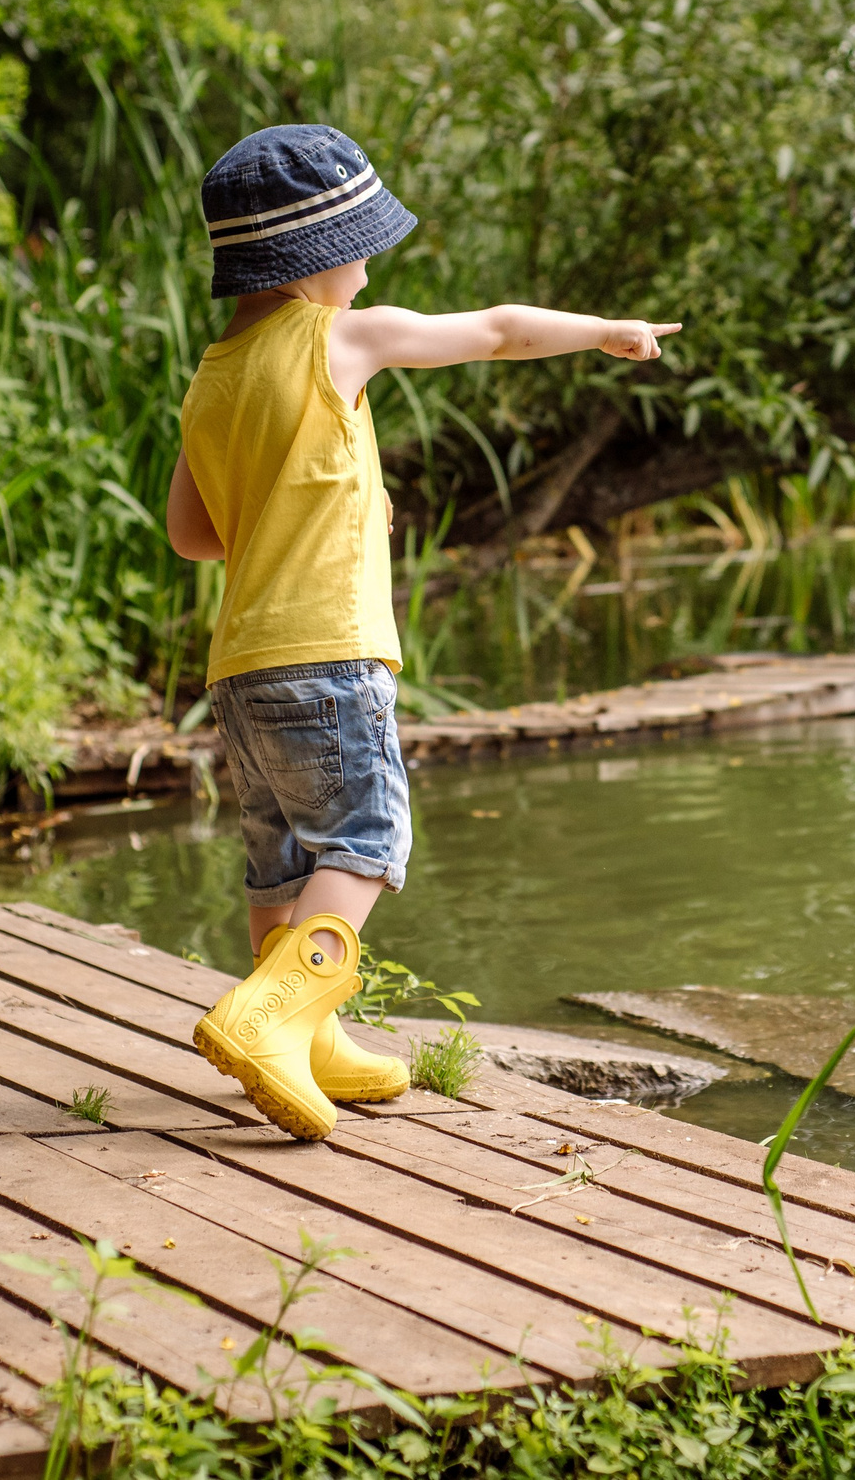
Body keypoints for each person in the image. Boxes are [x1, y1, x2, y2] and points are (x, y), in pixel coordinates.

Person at [166, 124, 676, 1139]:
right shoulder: (337, 339)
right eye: (360, 248)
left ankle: (307, 1035)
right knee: (363, 836)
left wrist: (300, 506)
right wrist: (605, 327)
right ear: (317, 260)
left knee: (280, 856)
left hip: (241, 670)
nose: (367, 269)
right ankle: (271, 1015)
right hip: (329, 654)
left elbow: (192, 534)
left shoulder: (213, 375)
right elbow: (493, 331)